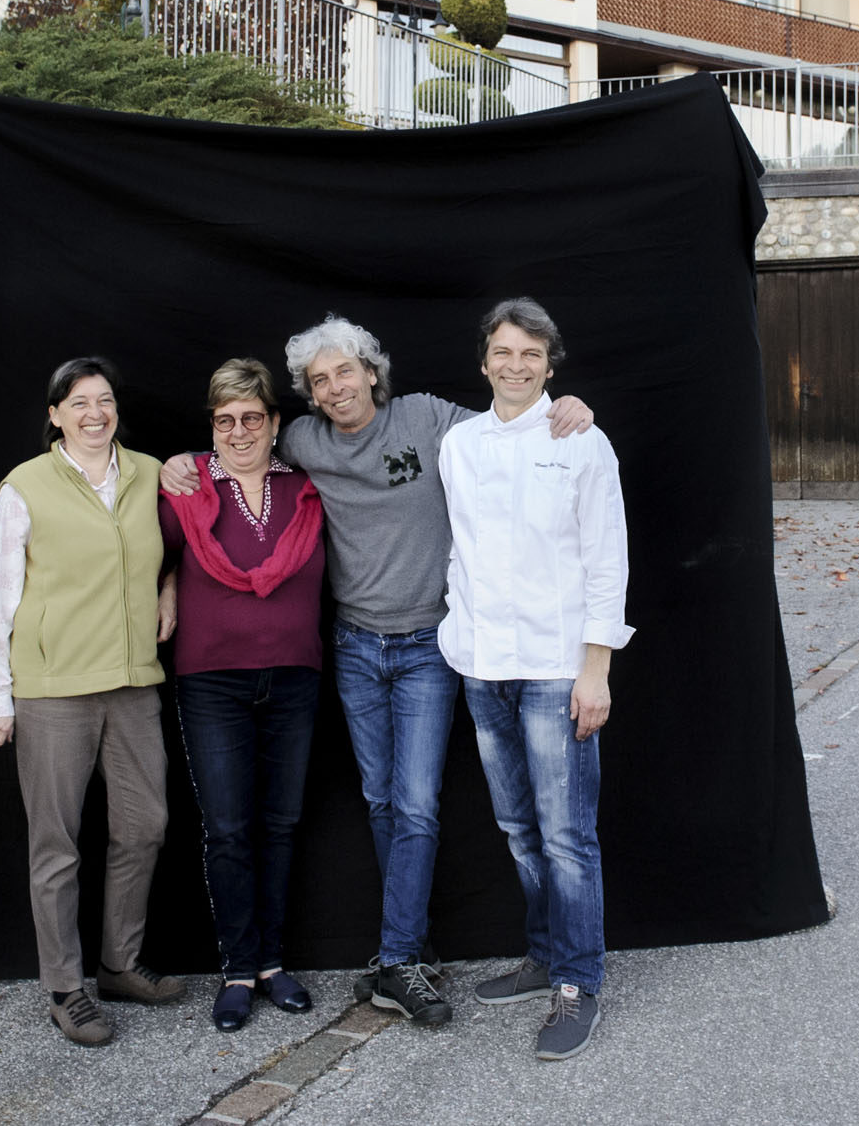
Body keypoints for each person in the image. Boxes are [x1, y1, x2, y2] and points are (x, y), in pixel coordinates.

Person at [160, 316, 591, 1028]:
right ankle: (410, 950)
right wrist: (176, 464)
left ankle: (393, 960)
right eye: (319, 380)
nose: (335, 388)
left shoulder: (425, 418)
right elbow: (228, 454)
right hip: (356, 648)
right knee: (383, 803)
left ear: (370, 370)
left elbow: (507, 423)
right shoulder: (302, 442)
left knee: (416, 803)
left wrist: (564, 407)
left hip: (428, 645)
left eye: (345, 371)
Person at [0, 355, 187, 1048]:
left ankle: (119, 963)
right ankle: (66, 987)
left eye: (105, 400)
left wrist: (169, 585)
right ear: (56, 414)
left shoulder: (151, 472)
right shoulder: (25, 486)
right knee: (57, 844)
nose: (96, 413)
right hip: (53, 686)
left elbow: (174, 542)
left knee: (145, 825)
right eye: (79, 402)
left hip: (130, 681)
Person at [439, 299, 631, 1062]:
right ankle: (546, 952)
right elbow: (461, 546)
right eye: (503, 352)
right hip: (484, 669)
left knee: (567, 837)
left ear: (551, 365)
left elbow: (606, 559)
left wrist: (596, 668)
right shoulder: (460, 443)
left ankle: (578, 983)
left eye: (531, 354)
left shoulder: (582, 441)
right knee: (520, 829)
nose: (516, 365)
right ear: (483, 360)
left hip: (558, 671)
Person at [158, 359, 328, 1033]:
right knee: (228, 828)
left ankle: (271, 962)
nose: (238, 430)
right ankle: (236, 966)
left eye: (251, 416)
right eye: (224, 419)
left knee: (281, 823)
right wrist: (168, 577)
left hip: (295, 676)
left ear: (275, 422)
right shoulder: (187, 487)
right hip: (212, 680)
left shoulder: (308, 489)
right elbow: (146, 550)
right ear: (212, 427)